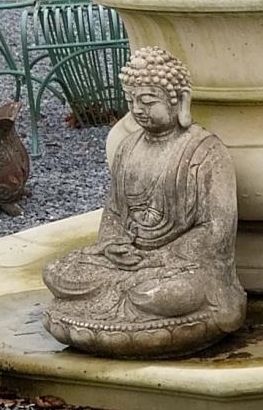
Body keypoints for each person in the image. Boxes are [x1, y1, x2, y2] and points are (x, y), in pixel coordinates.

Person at [43, 47, 248, 354]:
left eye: (148, 101)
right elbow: (113, 212)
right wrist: (113, 246)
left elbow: (216, 231)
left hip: (181, 269)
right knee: (59, 272)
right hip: (128, 263)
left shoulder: (205, 152)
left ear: (179, 100)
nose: (137, 109)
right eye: (131, 101)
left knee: (160, 294)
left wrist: (158, 258)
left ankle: (115, 312)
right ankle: (120, 307)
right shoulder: (127, 148)